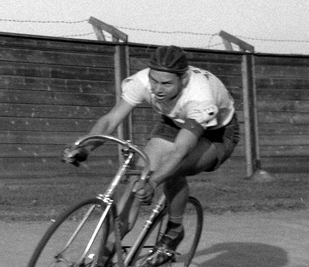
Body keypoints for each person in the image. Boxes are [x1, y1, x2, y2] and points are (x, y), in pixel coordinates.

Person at [62, 44, 239, 255]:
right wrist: (84, 147)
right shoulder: (142, 81)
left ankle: (174, 229)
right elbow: (110, 121)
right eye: (154, 81)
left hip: (217, 133)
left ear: (183, 79)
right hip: (175, 122)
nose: (157, 89)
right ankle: (106, 253)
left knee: (173, 169)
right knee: (138, 178)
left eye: (166, 83)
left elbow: (179, 152)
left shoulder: (200, 97)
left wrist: (154, 182)